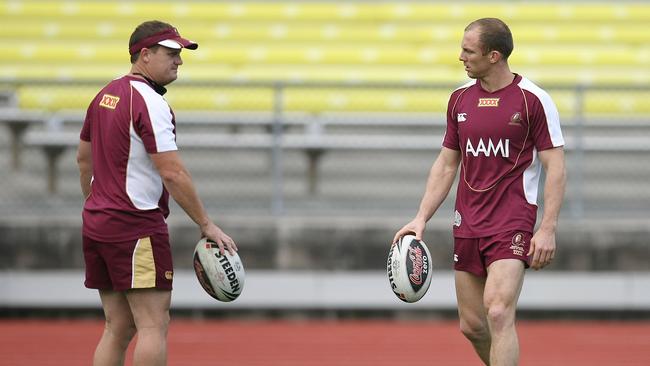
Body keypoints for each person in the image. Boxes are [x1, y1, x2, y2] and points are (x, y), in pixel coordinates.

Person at [393, 18, 566, 366]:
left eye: (468, 51)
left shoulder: (533, 99)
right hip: (468, 221)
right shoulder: (459, 99)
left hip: (512, 220)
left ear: (494, 56)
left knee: (499, 311)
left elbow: (556, 167)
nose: (461, 57)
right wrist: (420, 218)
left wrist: (546, 228)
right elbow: (446, 164)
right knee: (472, 325)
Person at [76, 20, 237, 366]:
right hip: (135, 224)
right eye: (171, 53)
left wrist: (95, 203)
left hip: (98, 222)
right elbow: (173, 172)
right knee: (154, 324)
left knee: (117, 326)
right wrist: (206, 224)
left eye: (180, 54)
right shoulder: (149, 101)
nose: (179, 60)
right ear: (145, 55)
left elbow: (83, 159)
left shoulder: (105, 94)